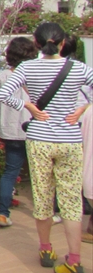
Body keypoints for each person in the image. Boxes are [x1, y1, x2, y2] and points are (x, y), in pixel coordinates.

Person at [0, 22, 93, 273]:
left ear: (37, 43)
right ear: (62, 43)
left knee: (42, 196)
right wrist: (83, 109)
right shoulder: (78, 68)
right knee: (71, 202)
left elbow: (3, 94)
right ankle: (74, 261)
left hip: (40, 138)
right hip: (70, 140)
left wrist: (28, 105)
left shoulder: (27, 68)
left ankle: (46, 249)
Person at [0, 36, 38, 227]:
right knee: (41, 173)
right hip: (35, 129)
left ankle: (3, 213)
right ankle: (48, 212)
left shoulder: (3, 76)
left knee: (10, 171)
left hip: (10, 129)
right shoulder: (37, 75)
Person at [59, 36, 93, 244]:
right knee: (84, 165)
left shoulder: (50, 69)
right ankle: (84, 204)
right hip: (83, 121)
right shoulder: (83, 69)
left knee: (68, 167)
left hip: (65, 125)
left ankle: (69, 205)